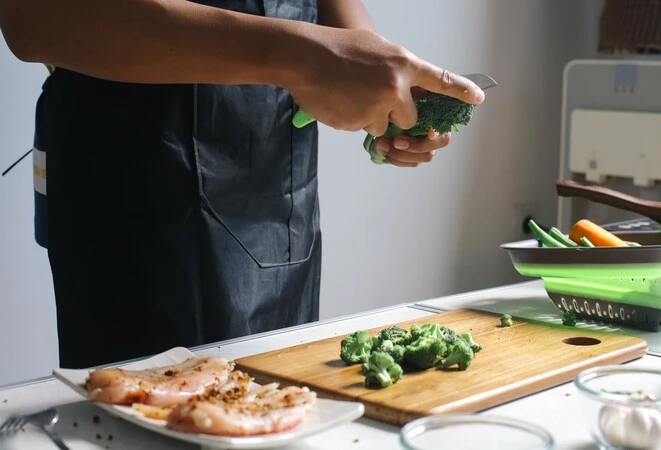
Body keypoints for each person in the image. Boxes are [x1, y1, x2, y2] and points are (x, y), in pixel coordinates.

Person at [0, 0, 484, 368]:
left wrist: (376, 73)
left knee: (282, 408)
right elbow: (32, 16)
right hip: (133, 196)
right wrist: (299, 56)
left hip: (280, 194)